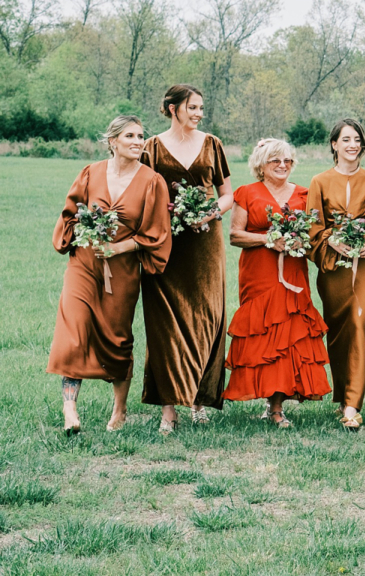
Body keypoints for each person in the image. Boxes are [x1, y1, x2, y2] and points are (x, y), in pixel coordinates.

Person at [48, 116, 172, 434]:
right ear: (113, 141)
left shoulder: (151, 181)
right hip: (84, 264)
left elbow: (157, 232)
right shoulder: (91, 173)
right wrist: (85, 230)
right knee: (73, 330)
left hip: (122, 270)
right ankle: (70, 410)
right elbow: (70, 214)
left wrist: (119, 248)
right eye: (129, 135)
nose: (137, 141)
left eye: (141, 136)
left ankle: (119, 409)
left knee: (117, 339)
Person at [140, 84, 233, 433]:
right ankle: (168, 409)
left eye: (201, 108)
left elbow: (227, 195)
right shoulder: (151, 147)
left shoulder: (213, 144)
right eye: (192, 107)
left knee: (207, 317)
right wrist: (168, 217)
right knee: (166, 324)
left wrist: (207, 214)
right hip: (167, 244)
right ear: (172, 108)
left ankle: (198, 398)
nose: (198, 113)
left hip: (206, 244)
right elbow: (145, 195)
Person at [224, 139, 331, 425]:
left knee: (289, 333)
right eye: (275, 161)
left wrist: (298, 240)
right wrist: (268, 239)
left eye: (288, 161)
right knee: (263, 332)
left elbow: (313, 233)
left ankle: (276, 406)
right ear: (261, 165)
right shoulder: (247, 193)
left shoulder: (304, 194)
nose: (283, 166)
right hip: (259, 272)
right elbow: (235, 235)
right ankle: (263, 393)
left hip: (293, 273)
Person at [307, 119, 365, 430]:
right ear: (334, 145)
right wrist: (333, 240)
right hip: (333, 265)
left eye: (357, 140)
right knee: (339, 327)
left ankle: (353, 405)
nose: (352, 145)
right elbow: (314, 226)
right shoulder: (320, 181)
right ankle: (343, 395)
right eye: (346, 139)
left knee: (359, 322)